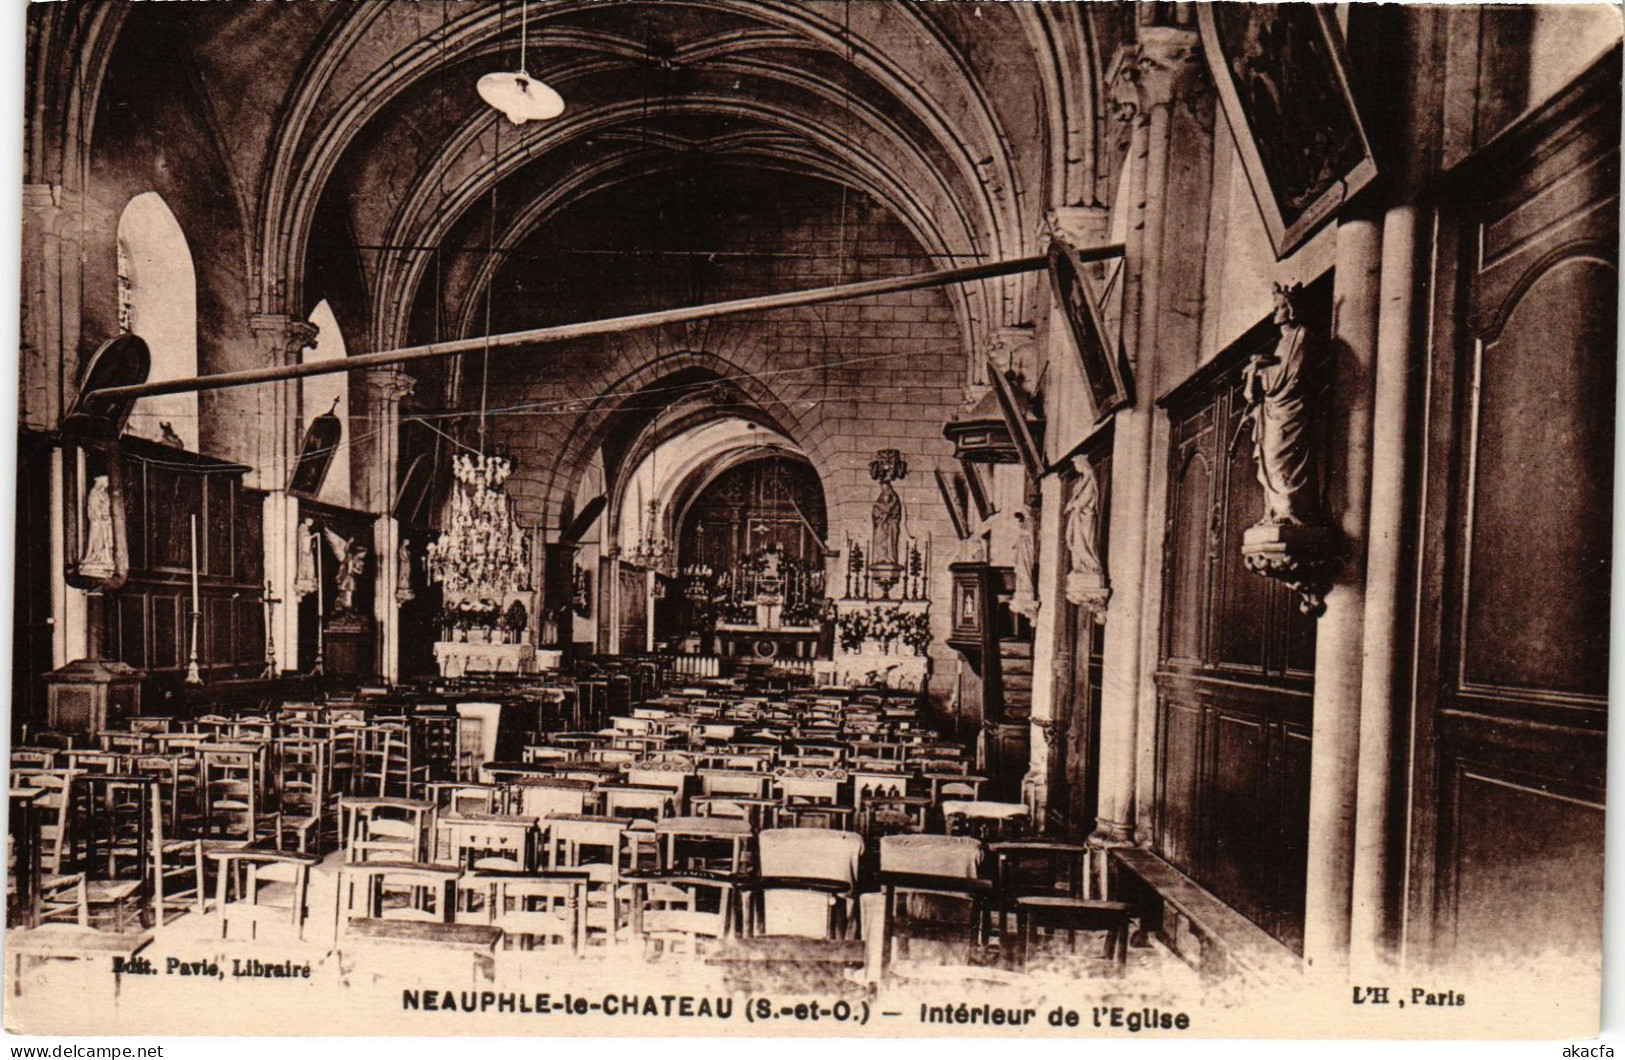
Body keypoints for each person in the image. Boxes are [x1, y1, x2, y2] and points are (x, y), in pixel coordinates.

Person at [79, 475, 116, 580]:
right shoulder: (94, 493)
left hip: (105, 521)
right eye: (106, 481)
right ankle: (95, 556)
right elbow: (93, 508)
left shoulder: (105, 494)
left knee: (106, 540)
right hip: (98, 522)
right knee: (97, 539)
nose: (108, 483)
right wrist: (101, 514)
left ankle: (105, 557)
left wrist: (107, 515)